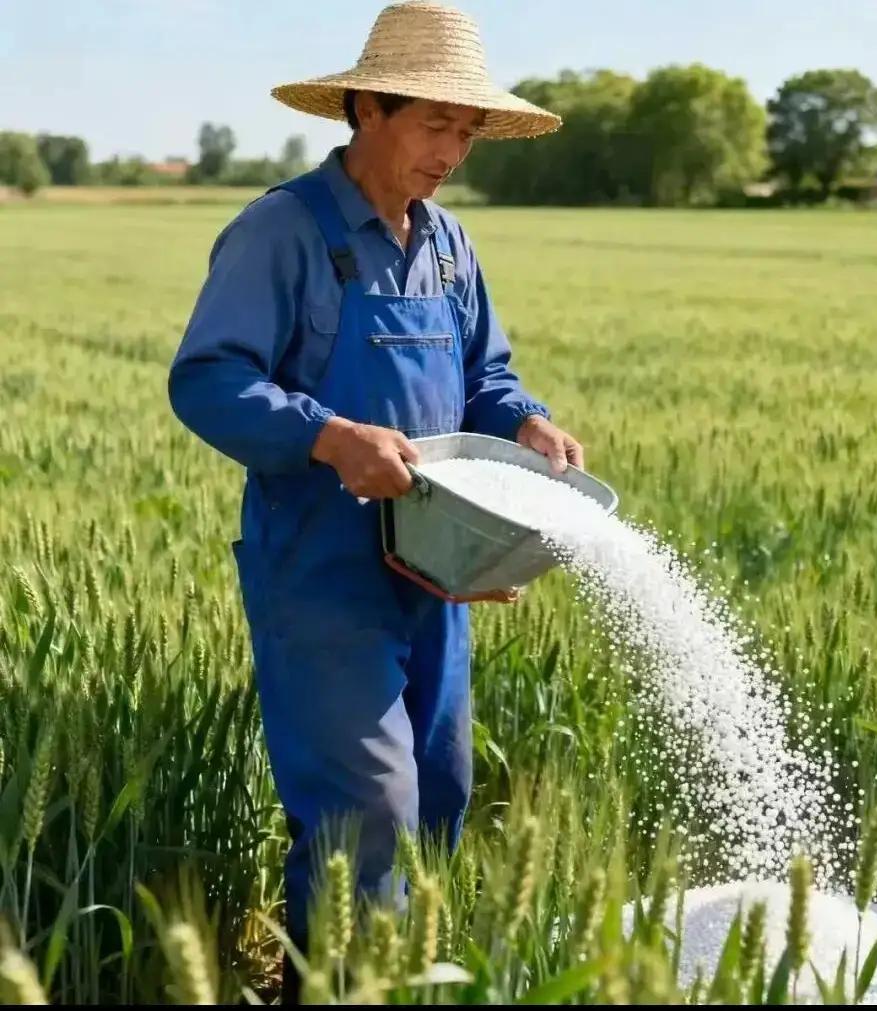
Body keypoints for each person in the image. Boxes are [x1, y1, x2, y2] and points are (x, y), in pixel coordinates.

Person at [167, 0, 583, 998]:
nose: (454, 150)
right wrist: (325, 436)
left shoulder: (448, 247)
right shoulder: (281, 232)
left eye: (469, 130)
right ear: (367, 108)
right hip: (321, 574)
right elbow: (208, 378)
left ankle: (371, 981)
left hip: (439, 568)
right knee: (370, 811)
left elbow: (488, 378)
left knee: (440, 795)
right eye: (436, 124)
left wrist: (525, 420)